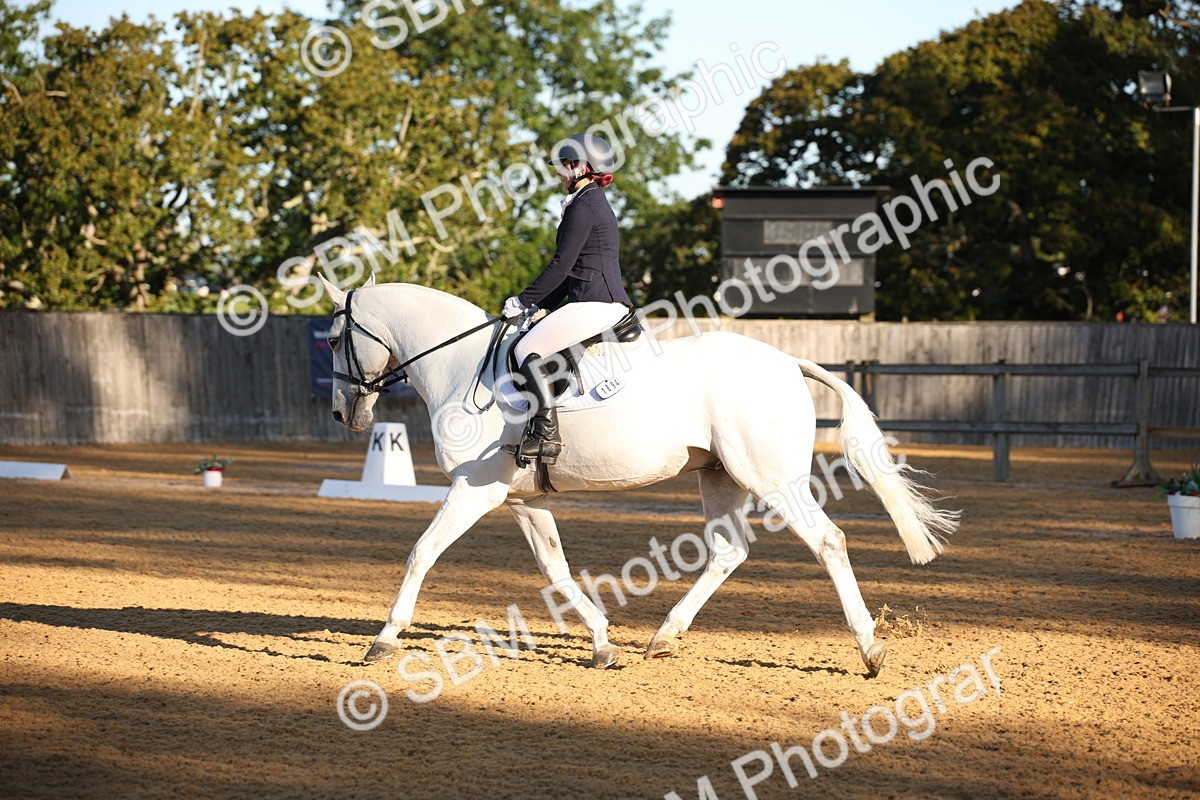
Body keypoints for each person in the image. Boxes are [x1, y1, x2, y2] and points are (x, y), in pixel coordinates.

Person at [501, 132, 633, 464]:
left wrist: (523, 299)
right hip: (591, 297)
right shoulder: (588, 201)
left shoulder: (585, 205)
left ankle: (546, 434)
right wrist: (541, 306)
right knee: (532, 340)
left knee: (524, 348)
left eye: (562, 166)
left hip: (597, 303)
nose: (559, 173)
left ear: (578, 166)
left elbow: (560, 265)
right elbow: (573, 271)